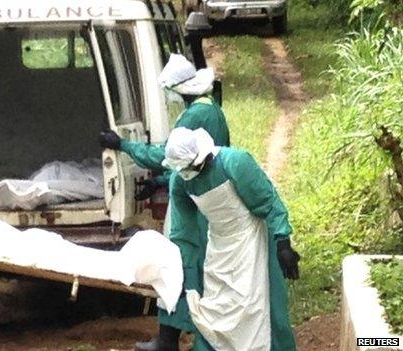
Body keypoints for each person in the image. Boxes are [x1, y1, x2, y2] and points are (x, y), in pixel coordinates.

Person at [100, 54, 230, 351]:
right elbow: (191, 160)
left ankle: (168, 340)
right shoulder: (210, 109)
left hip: (192, 207)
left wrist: (122, 145)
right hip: (201, 195)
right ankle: (179, 337)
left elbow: (168, 156)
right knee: (194, 268)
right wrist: (160, 183)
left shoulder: (195, 115)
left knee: (177, 266)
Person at [163, 127, 300, 351]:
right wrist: (184, 273)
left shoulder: (235, 162)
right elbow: (182, 232)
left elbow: (269, 201)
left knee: (265, 308)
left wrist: (282, 241)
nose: (187, 173)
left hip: (252, 240)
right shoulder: (180, 182)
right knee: (216, 312)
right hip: (219, 247)